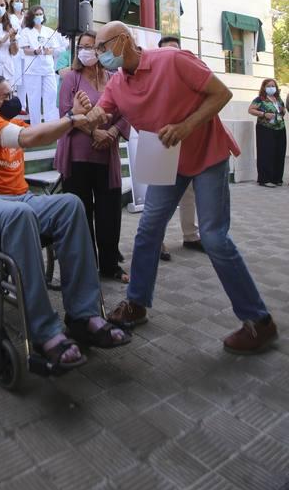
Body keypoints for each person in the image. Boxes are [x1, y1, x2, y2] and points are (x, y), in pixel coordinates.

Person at [85, 21, 277, 355]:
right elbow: (101, 113)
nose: (99, 55)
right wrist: (86, 114)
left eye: (103, 47)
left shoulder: (172, 60)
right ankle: (137, 303)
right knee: (147, 231)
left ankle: (259, 322)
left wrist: (187, 126)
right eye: (96, 50)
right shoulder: (117, 84)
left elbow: (222, 94)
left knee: (215, 237)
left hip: (206, 155)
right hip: (167, 163)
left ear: (124, 41)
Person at [0, 74, 130, 370]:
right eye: (7, 96)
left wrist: (82, 114)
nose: (13, 100)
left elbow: (44, 133)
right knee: (21, 215)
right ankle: (44, 331)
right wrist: (73, 115)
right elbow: (30, 139)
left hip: (19, 198)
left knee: (71, 204)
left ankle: (83, 315)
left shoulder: (11, 124)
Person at [55, 32, 130, 282]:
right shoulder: (71, 79)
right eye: (82, 47)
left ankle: (110, 265)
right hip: (77, 157)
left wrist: (112, 131)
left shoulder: (113, 78)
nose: (86, 51)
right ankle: (87, 267)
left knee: (110, 213)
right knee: (81, 213)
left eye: (91, 47)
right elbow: (65, 113)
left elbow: (126, 111)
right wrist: (94, 130)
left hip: (106, 157)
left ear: (101, 50)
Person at [157, 36, 204, 259]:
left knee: (189, 193)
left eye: (175, 50)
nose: (171, 55)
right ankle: (157, 240)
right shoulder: (152, 79)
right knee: (160, 197)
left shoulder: (191, 76)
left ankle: (191, 235)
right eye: (166, 51)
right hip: (161, 143)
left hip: (189, 143)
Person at [18, 5, 66, 125]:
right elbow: (25, 50)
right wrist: (35, 51)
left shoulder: (49, 31)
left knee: (51, 96)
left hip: (48, 69)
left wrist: (51, 51)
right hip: (33, 70)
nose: (39, 16)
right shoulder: (26, 31)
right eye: (36, 14)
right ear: (31, 17)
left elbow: (57, 48)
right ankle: (36, 126)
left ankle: (52, 124)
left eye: (41, 14)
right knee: (34, 99)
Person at [248, 78, 286, 187]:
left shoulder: (278, 99)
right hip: (265, 128)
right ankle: (265, 179)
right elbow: (250, 110)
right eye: (268, 86)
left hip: (280, 128)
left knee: (279, 152)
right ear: (264, 87)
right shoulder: (260, 99)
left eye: (273, 86)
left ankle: (277, 178)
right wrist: (264, 114)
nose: (271, 88)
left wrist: (282, 112)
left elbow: (282, 110)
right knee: (266, 153)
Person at [8, 0, 28, 113]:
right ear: (11, 3)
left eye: (21, 1)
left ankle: (22, 106)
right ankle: (11, 104)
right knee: (14, 76)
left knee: (24, 78)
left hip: (25, 50)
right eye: (16, 1)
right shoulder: (9, 17)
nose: (19, 3)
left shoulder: (27, 17)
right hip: (14, 48)